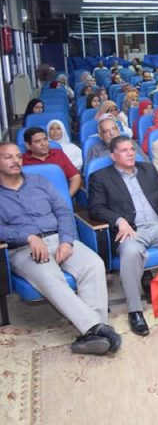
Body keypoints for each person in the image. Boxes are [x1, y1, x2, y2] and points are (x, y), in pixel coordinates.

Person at [0, 143, 121, 355]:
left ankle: (93, 334)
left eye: (18, 156)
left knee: (94, 264)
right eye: (8, 157)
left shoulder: (39, 182)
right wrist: (28, 237)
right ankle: (98, 328)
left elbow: (63, 211)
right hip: (24, 248)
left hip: (58, 237)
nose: (16, 161)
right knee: (50, 276)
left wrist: (66, 241)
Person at [88, 136, 158, 336]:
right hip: (131, 230)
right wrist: (118, 220)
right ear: (113, 156)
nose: (130, 153)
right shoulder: (100, 177)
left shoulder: (147, 169)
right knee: (130, 253)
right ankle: (135, 311)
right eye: (124, 150)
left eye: (132, 149)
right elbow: (96, 208)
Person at [22, 127, 82, 197]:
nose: (44, 144)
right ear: (28, 146)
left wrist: (67, 197)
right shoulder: (22, 160)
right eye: (38, 141)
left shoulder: (58, 153)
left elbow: (75, 177)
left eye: (45, 139)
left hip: (61, 197)